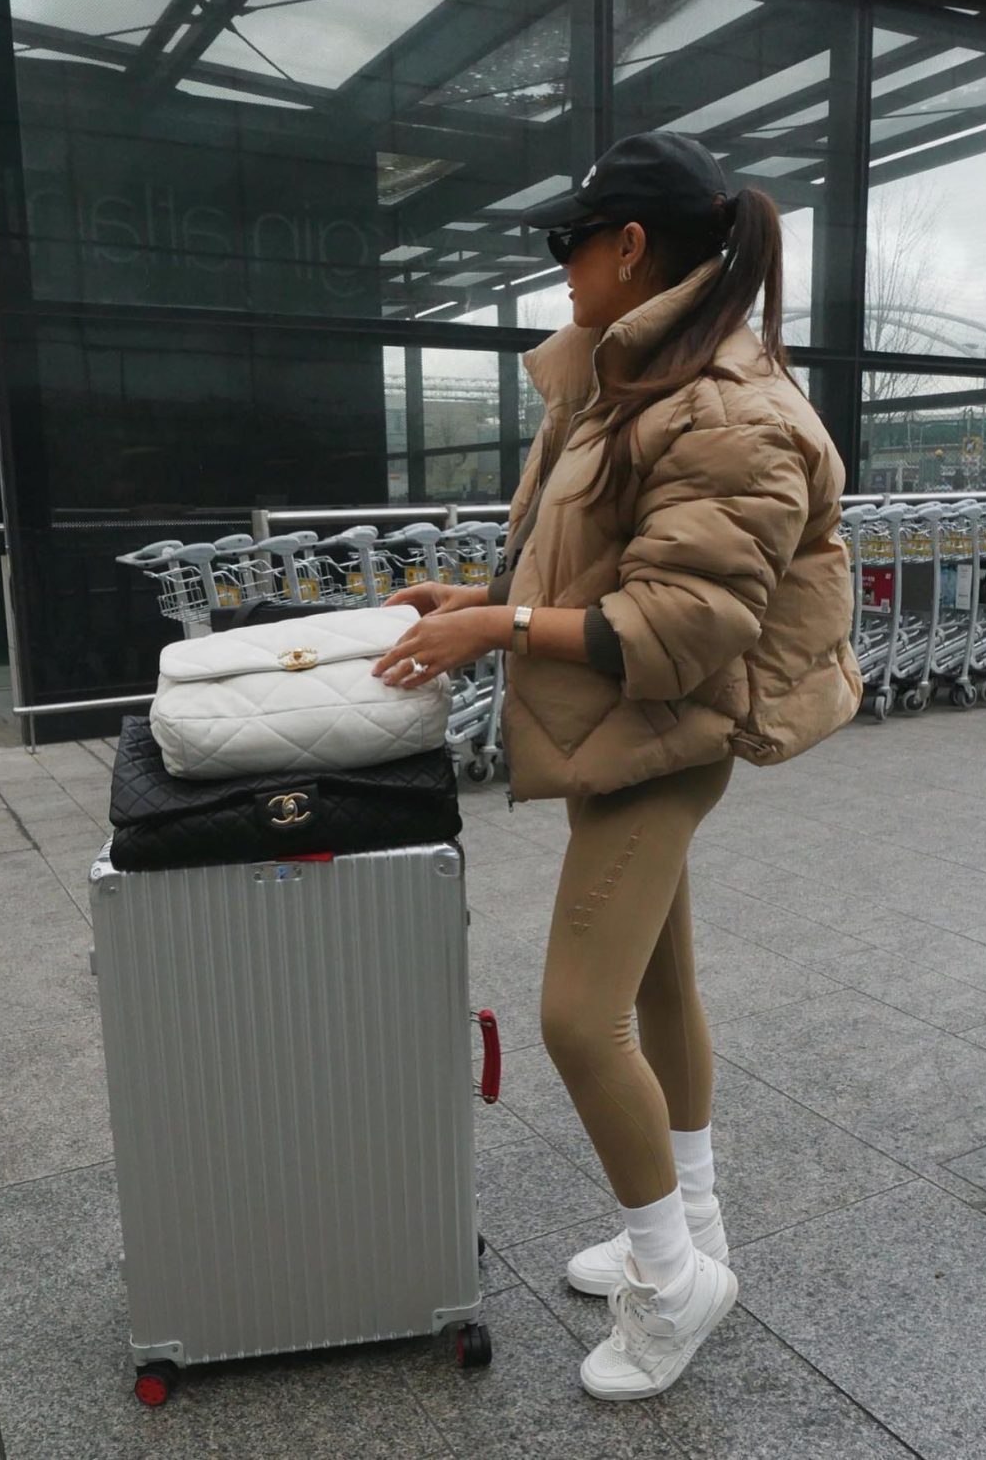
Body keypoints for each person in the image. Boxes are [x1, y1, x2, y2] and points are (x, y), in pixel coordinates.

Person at [374, 131, 861, 1401]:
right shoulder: (630, 376)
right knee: (656, 987)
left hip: (671, 725)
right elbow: (586, 557)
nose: (562, 272)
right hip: (630, 721)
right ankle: (688, 1221)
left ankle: (671, 1282)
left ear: (630, 247)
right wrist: (481, 592)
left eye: (568, 246)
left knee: (574, 1020)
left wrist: (494, 628)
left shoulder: (726, 409)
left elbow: (689, 624)